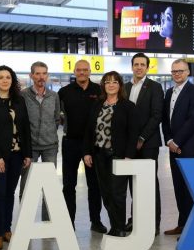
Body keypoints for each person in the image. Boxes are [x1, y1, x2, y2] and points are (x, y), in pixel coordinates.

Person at [0, 65, 32, 250]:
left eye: (8, 77)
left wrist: (27, 153)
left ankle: (7, 229)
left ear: (12, 80)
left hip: (17, 155)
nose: (4, 80)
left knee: (9, 192)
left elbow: (25, 128)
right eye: (1, 77)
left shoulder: (19, 101)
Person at [83, 71, 138, 237]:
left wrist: (129, 155)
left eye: (115, 82)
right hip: (99, 155)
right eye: (107, 82)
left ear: (120, 85)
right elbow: (89, 130)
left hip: (119, 156)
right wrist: (87, 152)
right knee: (106, 193)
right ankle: (115, 225)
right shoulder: (98, 104)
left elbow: (133, 133)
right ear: (103, 85)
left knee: (117, 193)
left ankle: (119, 228)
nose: (111, 85)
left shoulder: (127, 106)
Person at [59, 60, 106, 233]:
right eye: (79, 70)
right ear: (74, 71)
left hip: (94, 145)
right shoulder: (64, 92)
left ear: (90, 71)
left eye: (85, 70)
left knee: (95, 185)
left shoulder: (99, 91)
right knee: (68, 185)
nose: (82, 73)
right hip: (70, 142)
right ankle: (68, 222)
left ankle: (96, 221)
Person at [162, 59, 194, 236]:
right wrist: (169, 141)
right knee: (178, 188)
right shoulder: (169, 92)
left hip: (189, 147)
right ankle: (182, 224)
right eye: (174, 71)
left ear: (188, 72)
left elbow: (193, 120)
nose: (177, 74)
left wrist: (177, 142)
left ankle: (191, 229)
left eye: (180, 71)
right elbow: (165, 119)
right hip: (173, 147)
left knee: (189, 190)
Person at [124, 53, 163, 235]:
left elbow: (156, 116)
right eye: (136, 64)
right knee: (133, 182)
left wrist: (141, 138)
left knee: (149, 183)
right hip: (129, 145)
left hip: (148, 144)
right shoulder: (125, 87)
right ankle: (135, 219)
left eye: (142, 64)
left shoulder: (155, 87)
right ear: (132, 67)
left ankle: (153, 224)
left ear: (148, 68)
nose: (139, 67)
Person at [20, 61, 60, 221]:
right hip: (30, 148)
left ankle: (47, 221)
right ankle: (25, 222)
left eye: (44, 73)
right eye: (37, 73)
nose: (41, 77)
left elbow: (56, 119)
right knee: (26, 184)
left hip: (50, 146)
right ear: (31, 76)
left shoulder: (54, 96)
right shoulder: (23, 96)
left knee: (49, 186)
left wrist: (48, 132)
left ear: (47, 75)